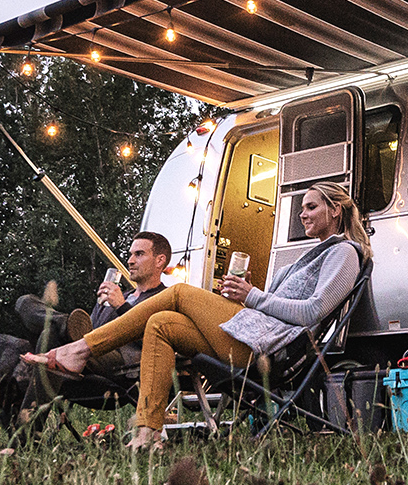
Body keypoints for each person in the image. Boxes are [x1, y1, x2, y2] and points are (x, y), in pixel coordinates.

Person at [24, 181, 369, 450]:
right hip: (252, 335)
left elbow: (313, 311)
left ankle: (80, 349)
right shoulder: (308, 256)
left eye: (311, 207)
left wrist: (253, 295)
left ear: (335, 209)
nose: (302, 214)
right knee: (161, 325)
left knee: (177, 292)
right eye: (302, 208)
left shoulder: (344, 253)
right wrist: (246, 296)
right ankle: (148, 432)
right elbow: (268, 307)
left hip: (267, 351)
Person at [14, 231, 172, 383]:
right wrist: (101, 307)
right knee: (25, 302)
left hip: (121, 358)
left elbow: (156, 339)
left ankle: (33, 409)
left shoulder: (165, 298)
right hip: (87, 344)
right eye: (130, 254)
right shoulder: (119, 295)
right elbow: (91, 328)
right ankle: (64, 324)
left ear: (159, 260)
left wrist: (121, 307)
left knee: (52, 335)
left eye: (139, 254)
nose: (130, 260)